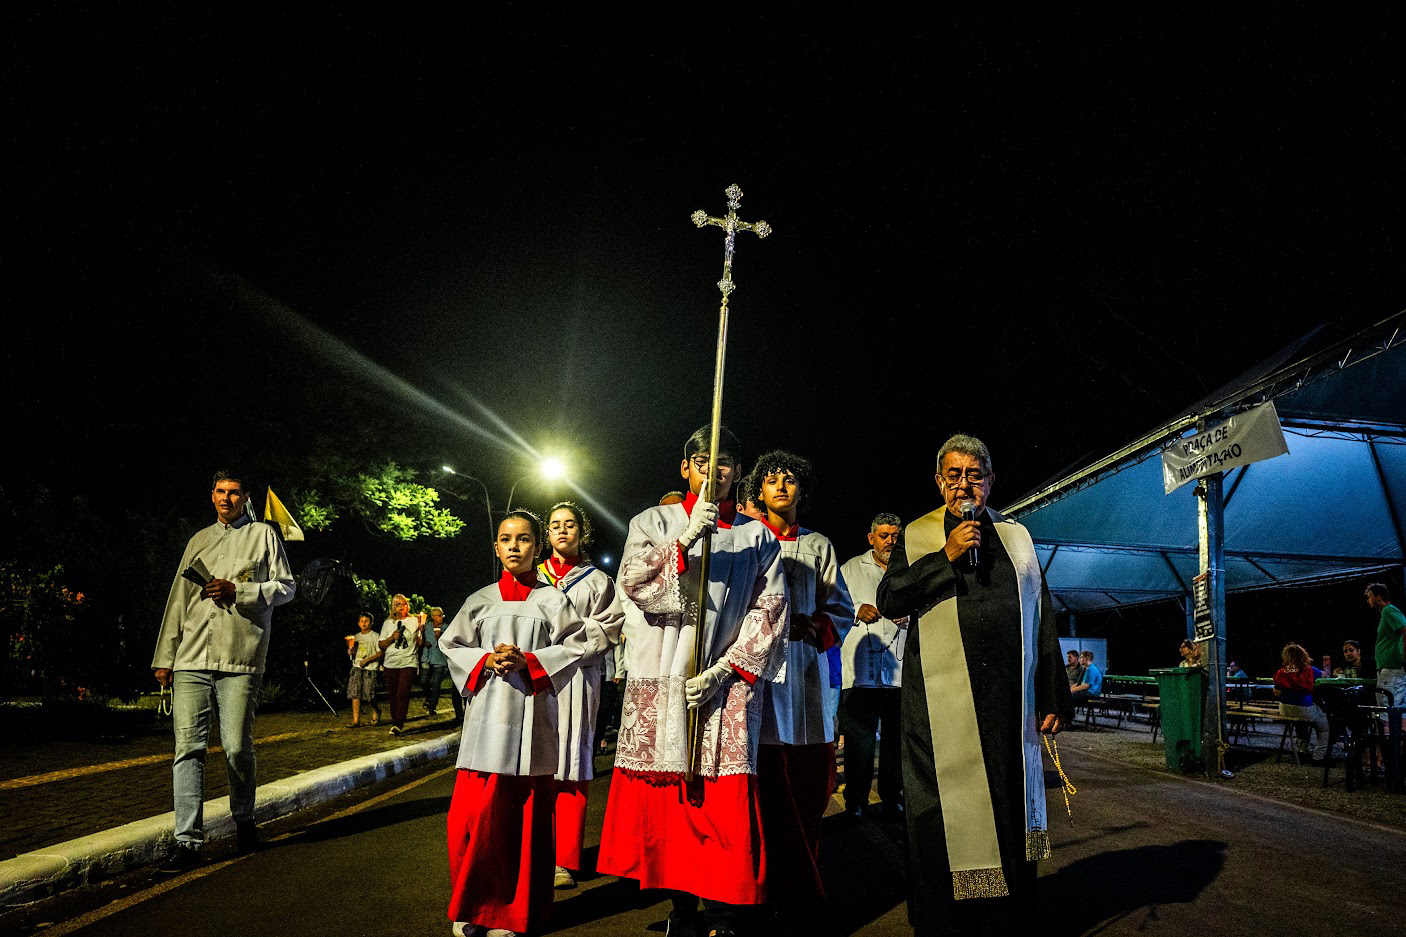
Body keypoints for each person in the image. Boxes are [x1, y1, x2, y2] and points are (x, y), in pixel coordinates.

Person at [876, 434, 1071, 936]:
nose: (965, 484)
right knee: (940, 813)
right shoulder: (918, 537)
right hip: (938, 708)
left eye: (975, 474)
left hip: (1008, 704)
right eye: (955, 474)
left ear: (990, 481)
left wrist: (1051, 692)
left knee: (1007, 806)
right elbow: (892, 598)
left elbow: (1042, 615)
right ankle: (944, 919)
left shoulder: (1017, 536)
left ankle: (1005, 916)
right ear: (939, 481)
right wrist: (945, 556)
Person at [597, 424, 789, 937]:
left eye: (725, 461)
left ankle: (724, 915)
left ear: (738, 473)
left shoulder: (756, 536)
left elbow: (769, 609)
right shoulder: (652, 521)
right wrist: (684, 540)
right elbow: (635, 586)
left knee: (722, 810)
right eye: (703, 460)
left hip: (725, 688)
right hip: (662, 681)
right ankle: (682, 911)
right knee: (674, 807)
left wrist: (726, 670)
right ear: (686, 468)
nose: (714, 470)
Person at [440, 509, 592, 937]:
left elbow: (576, 644)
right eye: (506, 539)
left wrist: (531, 661)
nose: (514, 546)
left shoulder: (552, 600)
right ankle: (473, 906)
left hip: (532, 722)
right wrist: (484, 659)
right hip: (485, 722)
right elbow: (451, 645)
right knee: (472, 819)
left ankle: (511, 912)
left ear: (536, 547)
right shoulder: (479, 600)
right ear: (496, 547)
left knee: (520, 824)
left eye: (523, 539)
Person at [151, 470, 295, 871]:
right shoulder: (198, 540)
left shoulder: (263, 535)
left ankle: (244, 819)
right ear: (211, 495)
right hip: (192, 658)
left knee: (235, 746)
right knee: (188, 750)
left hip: (240, 658)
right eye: (220, 492)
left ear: (245, 496)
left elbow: (286, 587)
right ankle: (187, 841)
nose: (226, 498)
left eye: (234, 492)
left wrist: (242, 591)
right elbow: (178, 599)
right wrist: (165, 656)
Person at [747, 450, 855, 915]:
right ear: (759, 490)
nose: (781, 487)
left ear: (802, 490)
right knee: (760, 779)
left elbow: (842, 609)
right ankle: (758, 880)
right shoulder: (745, 540)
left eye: (790, 480)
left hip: (804, 675)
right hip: (754, 674)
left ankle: (801, 876)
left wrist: (815, 627)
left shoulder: (819, 546)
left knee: (805, 780)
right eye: (772, 480)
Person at [536, 500, 625, 890]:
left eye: (570, 524)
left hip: (578, 679)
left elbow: (610, 630)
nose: (561, 530)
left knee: (572, 761)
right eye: (554, 524)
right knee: (534, 762)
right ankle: (534, 852)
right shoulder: (532, 579)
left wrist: (565, 646)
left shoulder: (599, 582)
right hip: (536, 679)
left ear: (581, 532)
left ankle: (564, 859)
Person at [838, 512, 909, 819]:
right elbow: (833, 606)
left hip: (899, 672)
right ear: (871, 538)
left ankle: (892, 795)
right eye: (884, 535)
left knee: (896, 742)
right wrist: (857, 609)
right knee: (859, 744)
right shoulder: (851, 568)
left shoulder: (909, 568)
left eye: (895, 535)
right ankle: (856, 800)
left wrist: (910, 613)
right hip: (861, 674)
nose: (890, 541)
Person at [1272, 642, 1331, 763]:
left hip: (1285, 709)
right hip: (1304, 708)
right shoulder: (1309, 670)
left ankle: (1301, 751)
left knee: (1301, 724)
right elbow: (1326, 676)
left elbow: (1277, 693)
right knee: (1324, 728)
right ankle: (1318, 757)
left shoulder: (1281, 672)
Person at [379, 593, 423, 735]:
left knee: (402, 692)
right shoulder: (388, 623)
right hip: (391, 662)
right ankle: (394, 721)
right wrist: (392, 637)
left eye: (403, 604)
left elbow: (420, 643)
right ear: (393, 608)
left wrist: (421, 632)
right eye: (398, 604)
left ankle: (399, 723)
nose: (401, 607)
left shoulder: (414, 620)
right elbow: (381, 645)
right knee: (393, 694)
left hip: (408, 660)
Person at [1367, 583, 1406, 707]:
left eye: (1370, 597)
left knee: (1386, 710)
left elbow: (1404, 629)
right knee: (1399, 709)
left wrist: (1405, 657)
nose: (1368, 600)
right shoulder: (1387, 612)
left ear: (1378, 597)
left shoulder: (1388, 610)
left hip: (1391, 669)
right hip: (1392, 669)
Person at [421, 606, 462, 719]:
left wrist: (440, 638)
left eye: (442, 615)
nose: (442, 618)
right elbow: (422, 639)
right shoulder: (427, 627)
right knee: (424, 681)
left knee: (436, 684)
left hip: (440, 659)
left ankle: (431, 707)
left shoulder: (447, 628)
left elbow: (449, 643)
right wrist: (425, 642)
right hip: (427, 657)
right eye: (439, 616)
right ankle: (428, 698)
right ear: (433, 617)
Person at [346, 612, 384, 727]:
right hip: (356, 667)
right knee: (355, 693)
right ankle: (356, 721)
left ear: (371, 623)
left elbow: (380, 652)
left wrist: (367, 660)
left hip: (370, 668)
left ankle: (376, 710)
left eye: (366, 621)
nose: (364, 623)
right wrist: (350, 651)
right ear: (358, 623)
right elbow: (352, 653)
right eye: (362, 621)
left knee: (369, 694)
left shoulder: (375, 636)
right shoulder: (356, 637)